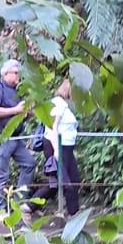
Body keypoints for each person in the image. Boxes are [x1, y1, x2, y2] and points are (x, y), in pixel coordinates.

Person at [0, 59, 36, 217]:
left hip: (16, 137)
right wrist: (15, 110)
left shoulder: (16, 91)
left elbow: (17, 113)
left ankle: (18, 203)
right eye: (15, 72)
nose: (17, 75)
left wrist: (27, 113)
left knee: (29, 163)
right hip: (2, 137)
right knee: (1, 174)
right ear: (5, 73)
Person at [47, 79, 80, 217]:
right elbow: (52, 126)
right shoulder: (59, 103)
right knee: (64, 180)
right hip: (59, 145)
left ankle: (73, 211)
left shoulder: (66, 105)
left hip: (67, 147)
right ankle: (29, 206)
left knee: (73, 178)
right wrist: (56, 150)